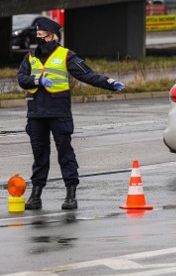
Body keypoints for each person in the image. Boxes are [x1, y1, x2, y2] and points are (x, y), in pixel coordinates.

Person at [16, 17, 125, 211]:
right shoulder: (30, 56)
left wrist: (108, 83)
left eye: (42, 35)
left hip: (59, 112)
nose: (38, 38)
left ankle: (70, 195)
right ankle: (36, 195)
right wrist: (37, 80)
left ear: (52, 36)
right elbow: (22, 79)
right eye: (37, 35)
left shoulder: (66, 55)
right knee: (39, 155)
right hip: (36, 113)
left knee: (65, 153)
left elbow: (86, 74)